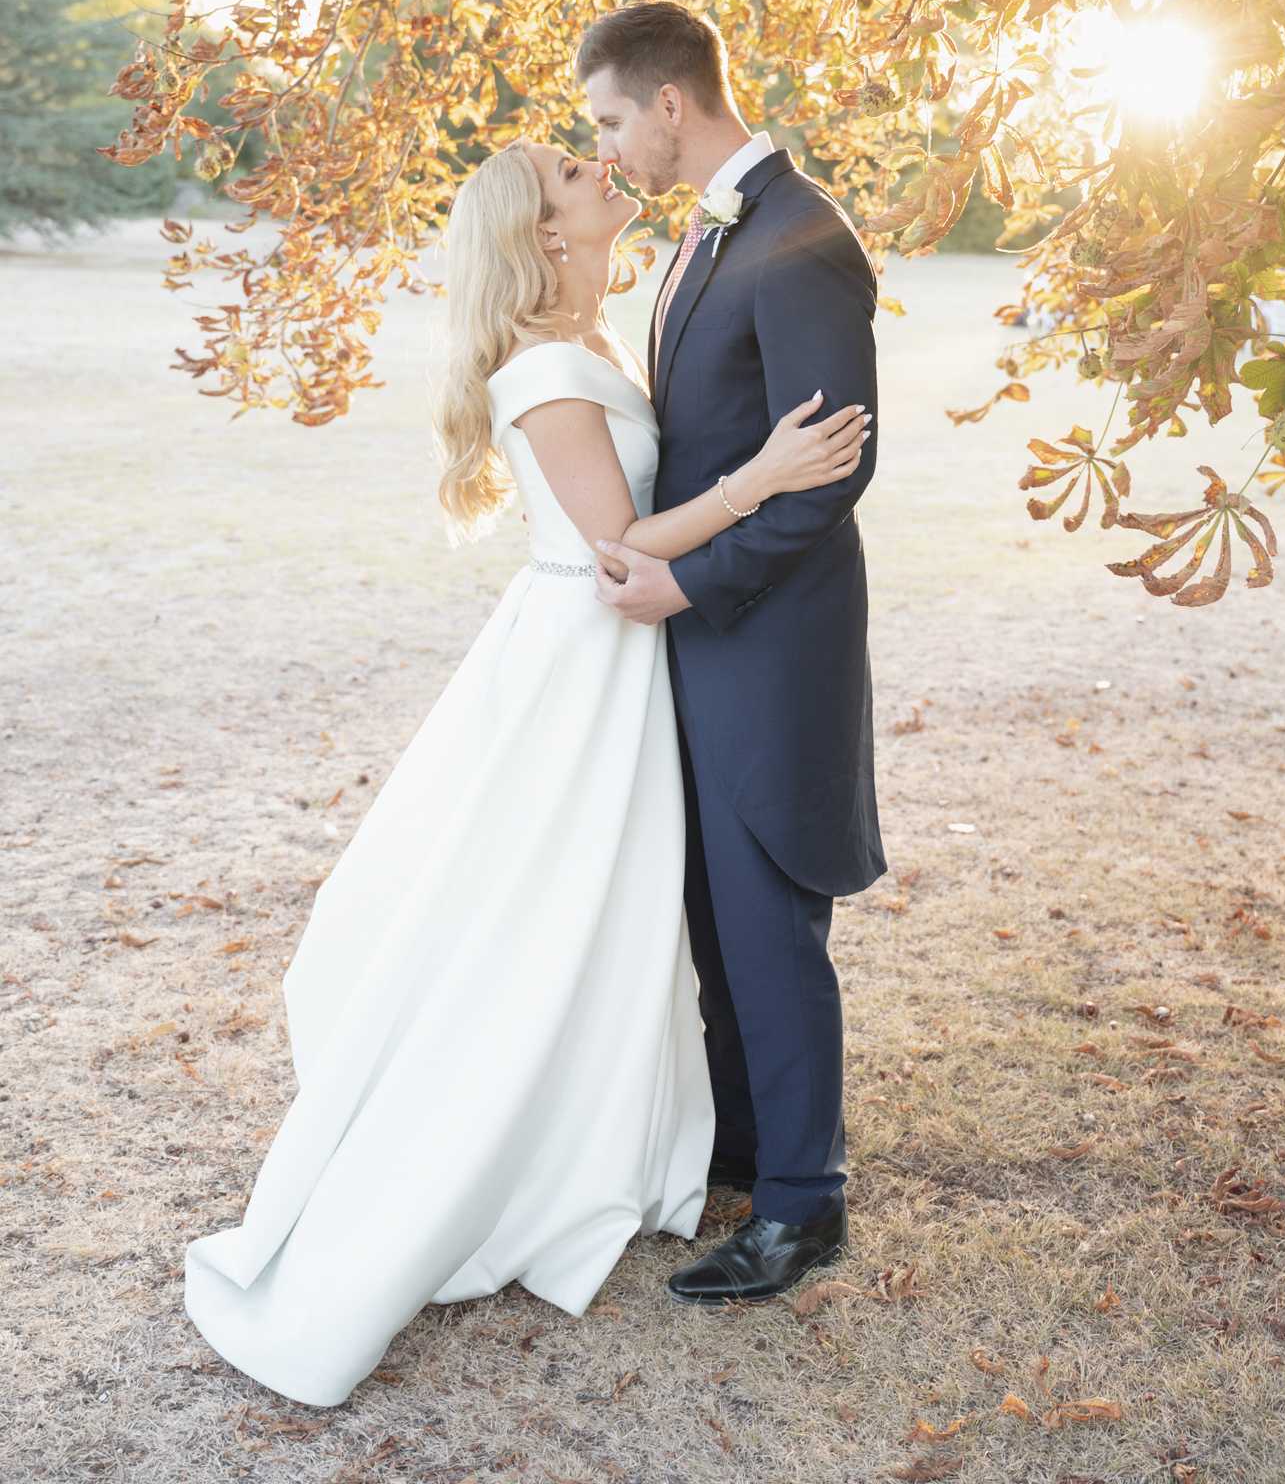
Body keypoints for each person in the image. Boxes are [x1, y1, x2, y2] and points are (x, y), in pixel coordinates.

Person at [182, 129, 870, 1407]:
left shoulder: (600, 336)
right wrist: (763, 477)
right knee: (541, 912)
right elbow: (619, 549)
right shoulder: (549, 365)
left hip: (620, 660)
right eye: (572, 170)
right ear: (543, 235)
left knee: (608, 912)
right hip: (583, 654)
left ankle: (645, 1128)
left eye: (592, 147)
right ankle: (505, 1148)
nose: (600, 167)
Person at [575, 0, 884, 1307]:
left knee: (767, 920)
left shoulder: (803, 244)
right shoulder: (714, 236)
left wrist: (687, 585)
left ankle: (805, 1208)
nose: (604, 147)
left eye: (606, 119)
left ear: (670, 105)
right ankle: (749, 1153)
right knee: (711, 907)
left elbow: (824, 483)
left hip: (768, 639)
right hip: (702, 634)